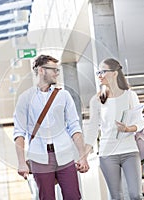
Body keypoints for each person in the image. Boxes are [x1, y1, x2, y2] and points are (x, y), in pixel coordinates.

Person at [13, 55, 89, 200]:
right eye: (53, 70)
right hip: (39, 157)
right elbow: (19, 133)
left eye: (57, 70)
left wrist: (83, 156)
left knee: (73, 196)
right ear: (41, 70)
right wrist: (22, 162)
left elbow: (74, 127)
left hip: (65, 153)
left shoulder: (64, 96)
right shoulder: (25, 98)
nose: (56, 73)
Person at [85, 58, 144, 200]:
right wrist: (84, 155)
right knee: (116, 197)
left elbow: (140, 123)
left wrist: (128, 128)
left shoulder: (130, 95)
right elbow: (93, 129)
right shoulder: (97, 100)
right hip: (107, 153)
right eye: (98, 72)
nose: (99, 75)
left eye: (103, 71)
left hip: (129, 150)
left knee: (135, 195)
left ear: (114, 73)